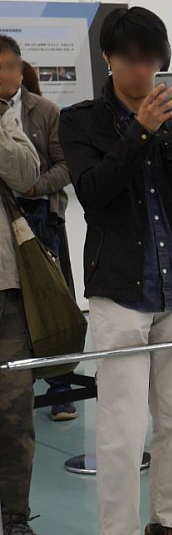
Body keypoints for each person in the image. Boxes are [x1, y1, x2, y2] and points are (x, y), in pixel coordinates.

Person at [60, 6, 172, 535]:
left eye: (151, 59)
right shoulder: (81, 121)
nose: (141, 70)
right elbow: (94, 192)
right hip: (121, 288)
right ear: (108, 58)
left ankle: (166, 524)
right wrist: (140, 132)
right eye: (129, 58)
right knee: (122, 425)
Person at [0, 35, 78, 421]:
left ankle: (61, 387)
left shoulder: (44, 110)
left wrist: (36, 187)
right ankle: (21, 385)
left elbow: (66, 164)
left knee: (51, 301)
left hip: (40, 216)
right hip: (6, 220)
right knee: (16, 309)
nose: (4, 74)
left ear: (21, 68)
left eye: (9, 66)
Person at [0, 62, 48, 535]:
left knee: (15, 415)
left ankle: (15, 519)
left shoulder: (3, 117)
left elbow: (27, 172)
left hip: (7, 289)